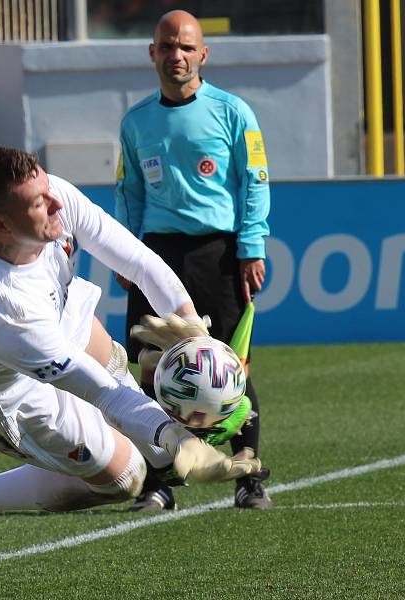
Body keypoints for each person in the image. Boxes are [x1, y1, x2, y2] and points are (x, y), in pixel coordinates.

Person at [0, 145, 261, 553]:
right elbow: (103, 392)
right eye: (39, 203)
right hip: (2, 390)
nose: (56, 202)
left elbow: (139, 261)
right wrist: (178, 439)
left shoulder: (51, 200)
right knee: (124, 477)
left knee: (119, 365)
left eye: (47, 186)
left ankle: (164, 451)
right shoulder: (4, 309)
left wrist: (194, 332)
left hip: (51, 316)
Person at [115, 10, 272, 510]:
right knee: (149, 369)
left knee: (229, 368)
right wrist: (125, 254)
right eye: (167, 46)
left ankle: (248, 476)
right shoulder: (135, 121)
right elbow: (129, 193)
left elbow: (256, 182)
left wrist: (251, 246)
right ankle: (158, 481)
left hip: (217, 253)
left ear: (203, 54)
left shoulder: (234, 112)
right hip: (155, 256)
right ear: (152, 53)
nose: (176, 55)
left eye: (186, 47)